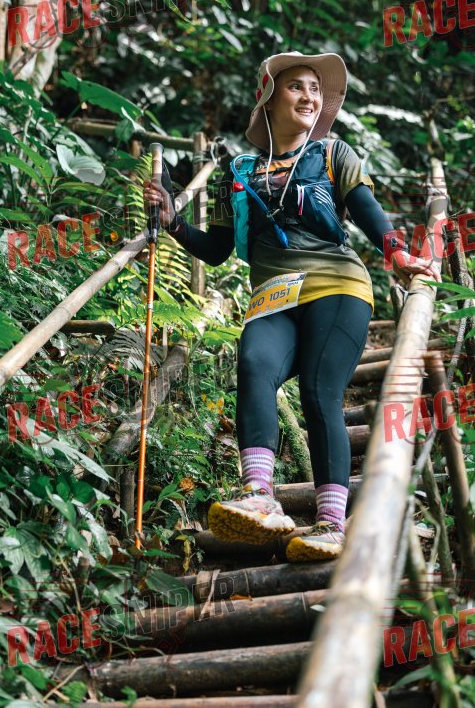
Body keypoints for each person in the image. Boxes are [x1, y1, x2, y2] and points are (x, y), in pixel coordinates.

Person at [143, 51, 441, 561]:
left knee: (319, 393)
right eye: (296, 86)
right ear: (268, 97)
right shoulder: (235, 172)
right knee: (254, 364)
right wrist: (172, 220)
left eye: (315, 89)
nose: (309, 97)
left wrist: (397, 254)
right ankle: (260, 496)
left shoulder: (333, 152)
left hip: (337, 286)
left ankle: (331, 523)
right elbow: (217, 250)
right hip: (274, 294)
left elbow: (367, 210)